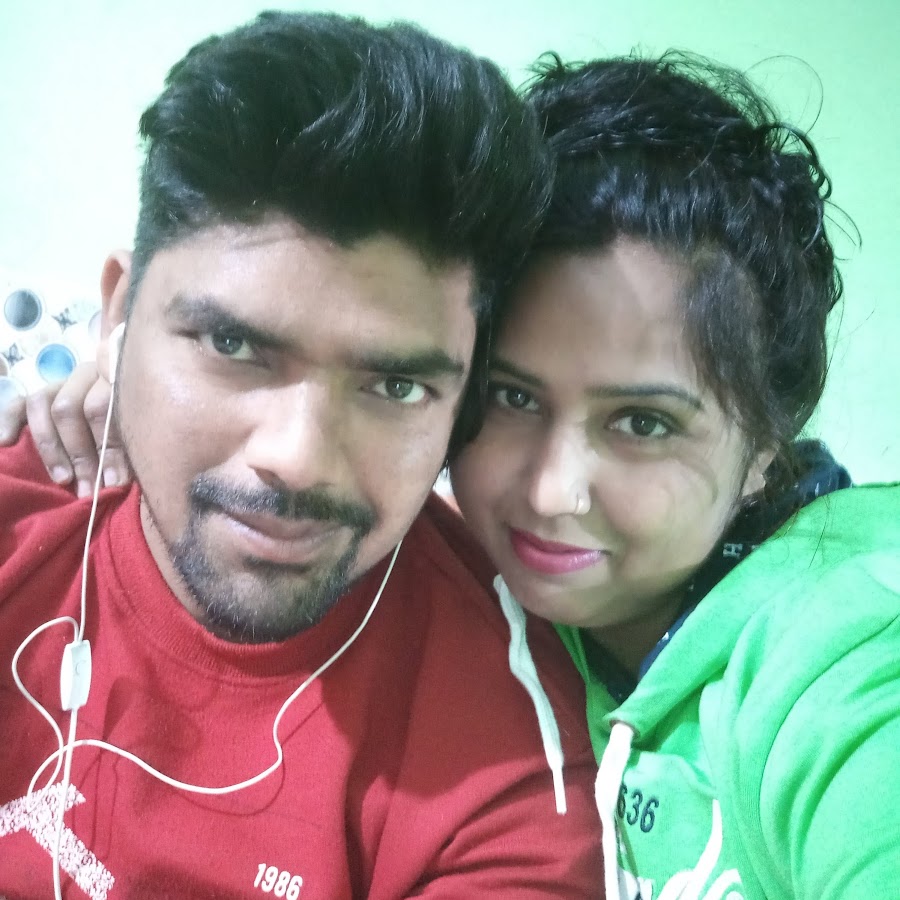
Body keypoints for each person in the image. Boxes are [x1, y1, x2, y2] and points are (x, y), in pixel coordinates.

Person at [0, 12, 604, 898]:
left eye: (396, 385)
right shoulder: (22, 513)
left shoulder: (509, 764)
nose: (298, 458)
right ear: (119, 317)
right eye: (232, 346)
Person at [449, 54, 900, 900]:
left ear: (766, 445)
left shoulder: (845, 657)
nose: (551, 493)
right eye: (512, 396)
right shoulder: (467, 588)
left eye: (643, 423)